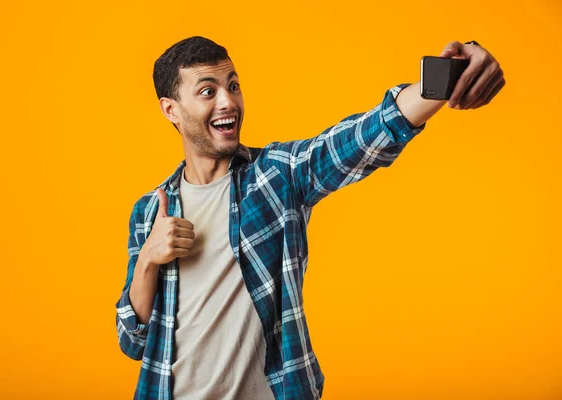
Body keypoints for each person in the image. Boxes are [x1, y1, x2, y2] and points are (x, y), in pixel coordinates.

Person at [115, 36, 505, 400]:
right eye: (207, 91)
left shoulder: (276, 176)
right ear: (171, 109)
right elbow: (133, 341)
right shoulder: (151, 210)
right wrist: (148, 260)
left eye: (233, 86)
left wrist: (442, 79)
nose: (227, 102)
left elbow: (361, 139)